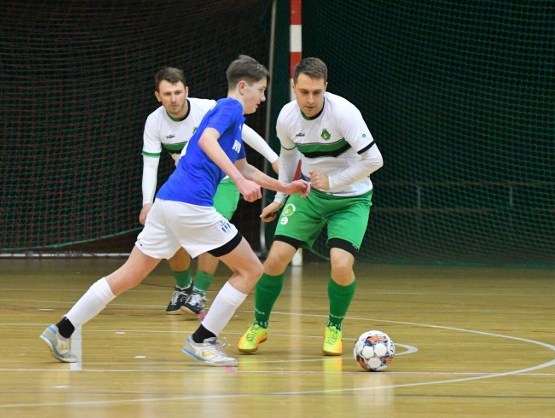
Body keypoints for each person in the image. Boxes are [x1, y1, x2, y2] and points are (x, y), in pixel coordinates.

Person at [40, 55, 310, 367]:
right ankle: (202, 340)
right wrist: (237, 180)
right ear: (242, 87)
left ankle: (62, 329)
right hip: (190, 204)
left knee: (129, 274)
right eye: (260, 90)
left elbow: (244, 167)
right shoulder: (229, 107)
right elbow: (210, 144)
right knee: (250, 270)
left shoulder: (231, 122)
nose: (263, 98)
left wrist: (285, 187)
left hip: (167, 203)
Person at [237, 57, 383, 356]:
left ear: (325, 87)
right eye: (304, 92)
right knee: (275, 259)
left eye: (317, 92)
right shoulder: (287, 117)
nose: (310, 99)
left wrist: (335, 181)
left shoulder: (344, 113)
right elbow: (288, 159)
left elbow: (374, 160)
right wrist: (279, 198)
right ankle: (259, 325)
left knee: (341, 265)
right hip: (308, 195)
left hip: (352, 199)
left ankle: (334, 328)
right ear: (294, 87)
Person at [140, 67, 280, 317]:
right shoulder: (154, 121)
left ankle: (200, 293)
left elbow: (242, 131)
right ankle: (183, 286)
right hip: (189, 182)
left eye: (177, 92)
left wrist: (272, 157)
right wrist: (146, 202)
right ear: (158, 96)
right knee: (174, 233)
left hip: (224, 179)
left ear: (187, 91)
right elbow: (150, 164)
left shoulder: (209, 107)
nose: (174, 98)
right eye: (167, 93)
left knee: (213, 229)